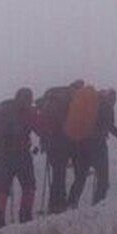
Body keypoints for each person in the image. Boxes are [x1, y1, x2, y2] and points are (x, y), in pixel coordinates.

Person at [0, 87, 38, 229]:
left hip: (2, 156)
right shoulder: (27, 111)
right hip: (22, 155)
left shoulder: (1, 109)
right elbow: (38, 127)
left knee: (2, 189)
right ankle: (25, 218)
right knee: (29, 186)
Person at [68, 88, 117, 206]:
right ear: (112, 98)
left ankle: (71, 203)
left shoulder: (92, 104)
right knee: (103, 179)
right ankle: (98, 205)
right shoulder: (107, 107)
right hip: (98, 145)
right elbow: (109, 127)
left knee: (80, 177)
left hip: (82, 144)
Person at [34, 79, 83, 214]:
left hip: (51, 140)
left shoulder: (54, 96)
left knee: (58, 173)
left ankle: (55, 205)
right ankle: (61, 205)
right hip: (64, 140)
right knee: (63, 173)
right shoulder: (71, 98)